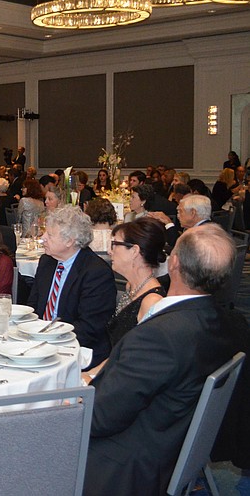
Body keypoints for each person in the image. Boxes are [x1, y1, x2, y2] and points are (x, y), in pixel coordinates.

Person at [84, 224, 241, 496]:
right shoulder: (226, 323)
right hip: (168, 443)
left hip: (122, 465)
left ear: (174, 263)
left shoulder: (159, 336)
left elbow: (99, 417)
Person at [26, 206, 116, 367]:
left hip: (77, 350)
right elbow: (33, 307)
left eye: (50, 235)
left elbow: (90, 328)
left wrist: (47, 338)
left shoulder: (96, 273)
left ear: (69, 241)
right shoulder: (47, 262)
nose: (43, 238)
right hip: (40, 345)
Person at [104, 217, 166, 347]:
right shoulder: (131, 286)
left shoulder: (151, 302)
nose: (109, 251)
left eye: (114, 244)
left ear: (134, 251)